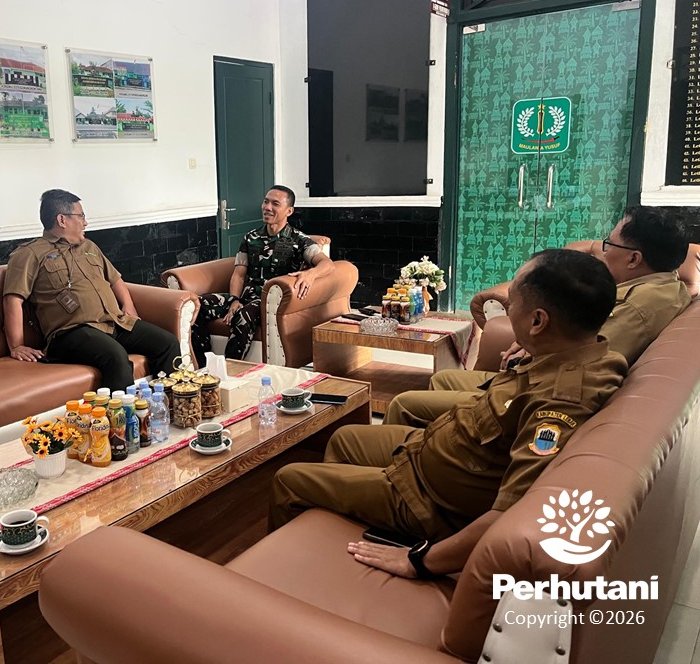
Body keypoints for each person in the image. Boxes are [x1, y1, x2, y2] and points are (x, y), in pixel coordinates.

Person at [270, 249, 627, 578]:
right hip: (427, 456)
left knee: (289, 481)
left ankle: (280, 579)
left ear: (538, 321)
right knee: (346, 438)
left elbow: (511, 513)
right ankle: (338, 536)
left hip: (428, 501)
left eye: (512, 302)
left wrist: (420, 562)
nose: (507, 310)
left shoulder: (560, 401)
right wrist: (533, 347)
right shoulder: (574, 353)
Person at [386, 206, 691, 428]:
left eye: (609, 244)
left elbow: (585, 360)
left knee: (404, 403)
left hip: (532, 392)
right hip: (532, 379)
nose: (603, 251)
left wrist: (530, 352)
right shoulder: (663, 286)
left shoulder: (640, 308)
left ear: (634, 258)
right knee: (442, 379)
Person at [3, 189, 181, 391]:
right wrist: (16, 346)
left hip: (113, 323)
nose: (85, 222)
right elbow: (13, 299)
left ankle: (170, 403)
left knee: (167, 343)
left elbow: (115, 279)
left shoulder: (89, 247)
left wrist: (128, 306)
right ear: (62, 220)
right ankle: (122, 412)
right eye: (81, 216)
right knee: (116, 356)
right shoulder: (30, 254)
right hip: (72, 333)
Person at [191, 185, 335, 364]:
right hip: (245, 297)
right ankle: (203, 366)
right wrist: (234, 299)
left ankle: (228, 370)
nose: (267, 207)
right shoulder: (250, 238)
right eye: (266, 202)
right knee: (196, 305)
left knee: (243, 316)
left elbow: (327, 265)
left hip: (269, 303)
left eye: (275, 204)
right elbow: (239, 274)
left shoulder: (299, 240)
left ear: (289, 211)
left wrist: (310, 274)